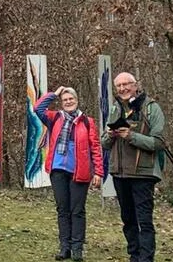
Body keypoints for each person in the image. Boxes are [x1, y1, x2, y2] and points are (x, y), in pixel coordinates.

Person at [102, 72, 165, 262]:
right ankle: (134, 256)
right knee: (128, 220)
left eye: (126, 84)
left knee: (143, 221)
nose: (122, 89)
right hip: (120, 172)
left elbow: (159, 142)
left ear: (135, 85)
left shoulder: (151, 108)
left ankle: (146, 259)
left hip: (143, 174)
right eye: (119, 86)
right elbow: (104, 143)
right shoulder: (115, 108)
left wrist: (131, 136)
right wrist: (111, 135)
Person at [36, 86, 104, 261]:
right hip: (58, 170)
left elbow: (95, 147)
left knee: (78, 210)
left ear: (77, 100)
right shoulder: (55, 118)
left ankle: (77, 249)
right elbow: (38, 108)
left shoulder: (87, 122)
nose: (68, 102)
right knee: (62, 210)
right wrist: (55, 93)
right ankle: (64, 247)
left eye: (71, 99)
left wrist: (98, 171)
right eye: (65, 100)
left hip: (79, 171)